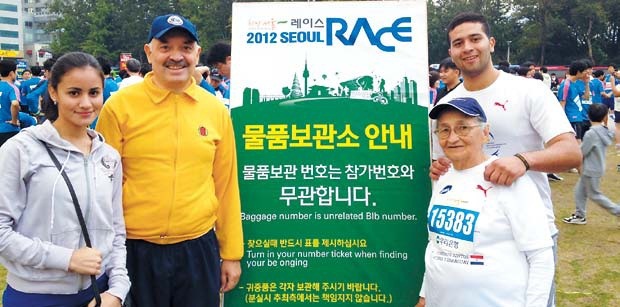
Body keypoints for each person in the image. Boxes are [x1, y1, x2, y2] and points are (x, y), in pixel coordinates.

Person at [427, 12, 581, 307]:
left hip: (528, 233)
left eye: (475, 39)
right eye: (458, 43)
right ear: (450, 53)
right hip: (465, 238)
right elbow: (444, 164)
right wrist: (439, 168)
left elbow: (571, 152)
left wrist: (523, 160)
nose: (468, 48)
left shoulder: (528, 90)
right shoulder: (444, 106)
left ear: (492, 43)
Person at [95, 14, 243, 306]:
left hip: (196, 249)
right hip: (133, 250)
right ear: (149, 52)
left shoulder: (215, 109)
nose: (176, 56)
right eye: (165, 47)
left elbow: (225, 185)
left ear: (197, 54)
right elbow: (99, 185)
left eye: (186, 47)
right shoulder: (119, 107)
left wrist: (231, 254)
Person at [0, 52, 130, 306]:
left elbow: (116, 232)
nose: (85, 103)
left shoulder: (109, 157)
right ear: (53, 92)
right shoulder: (21, 150)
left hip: (98, 293)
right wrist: (66, 258)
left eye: (93, 93)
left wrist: (117, 289)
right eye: (74, 93)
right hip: (36, 295)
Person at [423, 97, 554, 306]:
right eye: (444, 130)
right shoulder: (443, 176)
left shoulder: (508, 178)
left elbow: (540, 255)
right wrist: (425, 295)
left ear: (485, 133)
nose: (453, 138)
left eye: (463, 128)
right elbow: (436, 244)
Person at [562, 103, 620, 224]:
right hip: (595, 167)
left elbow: (582, 152)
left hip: (591, 169)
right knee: (579, 191)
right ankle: (579, 215)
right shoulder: (604, 131)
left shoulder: (591, 134)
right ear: (605, 116)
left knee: (594, 195)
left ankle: (617, 211)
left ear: (588, 116)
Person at [0, 60, 20, 146]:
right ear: (11, 73)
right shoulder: (12, 88)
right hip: (8, 129)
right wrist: (14, 121)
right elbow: (15, 104)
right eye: (16, 72)